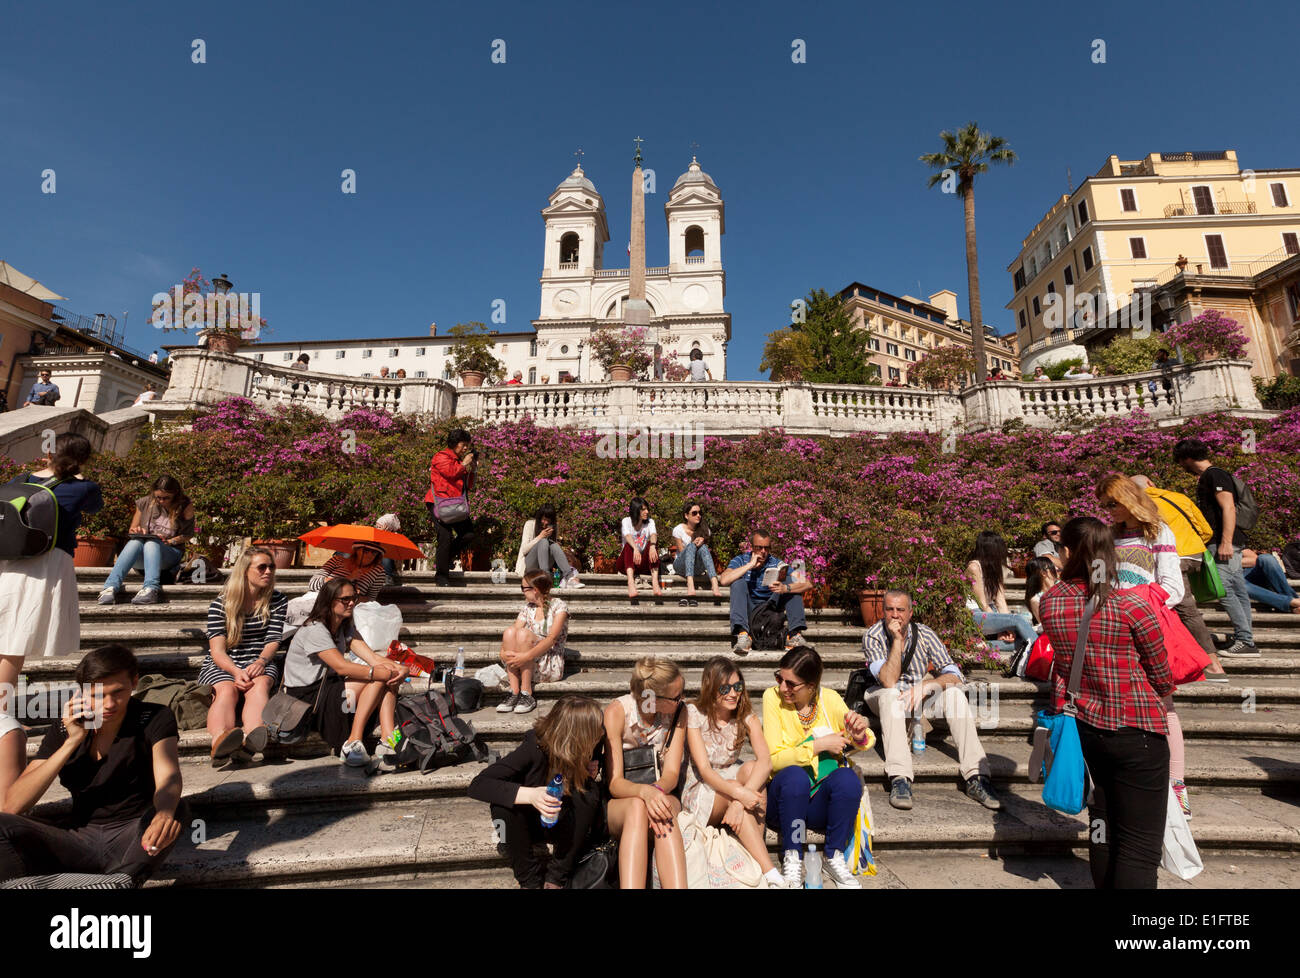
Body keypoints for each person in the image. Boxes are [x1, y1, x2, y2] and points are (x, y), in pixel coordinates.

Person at [1039, 517, 1174, 889]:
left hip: (1086, 731)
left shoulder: (1050, 603)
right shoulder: (1132, 605)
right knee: (1139, 845)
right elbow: (1163, 676)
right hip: (1138, 732)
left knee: (1101, 827)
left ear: (1066, 552)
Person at [0, 644, 184, 885]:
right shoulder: (65, 728)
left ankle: (122, 881)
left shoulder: (154, 717)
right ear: (83, 692)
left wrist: (165, 812)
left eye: (118, 692)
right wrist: (72, 741)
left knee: (176, 809)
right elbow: (13, 804)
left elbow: (168, 777)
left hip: (133, 833)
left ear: (134, 682)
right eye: (98, 695)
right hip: (79, 839)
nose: (109, 704)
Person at [1097, 474, 1210, 816]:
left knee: (1164, 705)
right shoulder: (1109, 536)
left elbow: (1173, 587)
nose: (1109, 510)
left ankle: (1177, 787)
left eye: (1112, 503)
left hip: (1148, 627)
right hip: (1112, 628)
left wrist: (1137, 601)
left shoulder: (1158, 532)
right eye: (1105, 505)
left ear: (1128, 498)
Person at [1, 434, 103, 801]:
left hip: (7, 563)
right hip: (45, 564)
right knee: (15, 643)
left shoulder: (17, 482)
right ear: (85, 459)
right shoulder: (85, 487)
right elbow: (94, 510)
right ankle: (0, 712)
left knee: (8, 638)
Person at [862, 591, 1001, 812]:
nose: (895, 615)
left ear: (910, 612)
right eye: (890, 609)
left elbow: (955, 674)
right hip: (883, 697)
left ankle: (976, 776)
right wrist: (897, 641)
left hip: (918, 696)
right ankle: (900, 778)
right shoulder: (874, 635)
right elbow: (888, 681)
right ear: (883, 611)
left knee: (954, 693)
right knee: (890, 695)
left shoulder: (925, 634)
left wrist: (926, 686)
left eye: (900, 610)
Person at [469, 695, 606, 889]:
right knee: (502, 808)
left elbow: (594, 761)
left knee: (589, 792)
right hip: (529, 824)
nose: (602, 732)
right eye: (597, 729)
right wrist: (531, 795)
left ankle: (556, 877)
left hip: (565, 823)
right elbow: (478, 784)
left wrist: (592, 766)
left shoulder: (595, 740)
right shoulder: (534, 748)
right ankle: (529, 881)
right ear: (579, 735)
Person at [764, 646, 871, 889]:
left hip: (817, 804)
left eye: (791, 684)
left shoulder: (829, 699)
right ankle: (792, 855)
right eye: (779, 678)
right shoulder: (772, 698)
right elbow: (773, 759)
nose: (783, 687)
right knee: (794, 776)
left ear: (811, 686)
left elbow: (866, 739)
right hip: (784, 803)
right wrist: (817, 745)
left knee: (847, 779)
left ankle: (832, 856)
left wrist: (859, 732)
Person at [282, 578, 409, 768]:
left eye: (354, 598)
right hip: (307, 697)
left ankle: (388, 738)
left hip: (330, 687)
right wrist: (383, 673)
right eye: (345, 599)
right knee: (379, 678)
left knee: (387, 673)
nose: (351, 603)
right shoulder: (314, 628)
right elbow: (342, 667)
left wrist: (400, 667)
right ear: (329, 601)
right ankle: (352, 742)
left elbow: (373, 658)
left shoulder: (344, 626)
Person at [683, 657, 784, 888]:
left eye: (738, 687)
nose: (733, 694)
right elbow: (706, 771)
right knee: (739, 787)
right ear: (710, 688)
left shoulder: (745, 714)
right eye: (725, 688)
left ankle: (755, 856)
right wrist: (739, 794)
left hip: (732, 780)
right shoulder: (694, 713)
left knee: (751, 769)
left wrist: (740, 801)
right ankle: (768, 871)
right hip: (703, 787)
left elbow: (766, 762)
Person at [602, 657, 689, 889]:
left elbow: (671, 773)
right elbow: (614, 783)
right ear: (652, 697)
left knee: (662, 809)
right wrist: (644, 794)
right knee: (637, 807)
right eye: (676, 696)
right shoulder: (617, 712)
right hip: (621, 802)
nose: (682, 699)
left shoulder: (679, 712)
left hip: (662, 791)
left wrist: (655, 792)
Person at [1129, 474, 1227, 678]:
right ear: (1150, 483)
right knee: (1180, 606)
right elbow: (1205, 530)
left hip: (1172, 557)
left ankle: (1212, 663)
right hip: (1194, 554)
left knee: (1185, 609)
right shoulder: (1178, 497)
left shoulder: (1139, 504)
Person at [198, 545, 288, 764]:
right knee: (226, 690)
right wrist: (235, 671)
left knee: (260, 686)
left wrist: (261, 661)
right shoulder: (221, 604)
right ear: (245, 570)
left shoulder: (277, 600)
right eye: (262, 567)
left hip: (260, 659)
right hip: (224, 662)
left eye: (271, 567)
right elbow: (217, 650)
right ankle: (220, 741)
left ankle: (254, 736)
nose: (268, 571)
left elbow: (273, 639)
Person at [1175, 438, 1256, 657]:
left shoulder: (1214, 475)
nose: (1181, 466)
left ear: (1188, 458)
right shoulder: (1212, 476)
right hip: (1226, 541)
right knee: (1237, 589)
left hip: (1224, 541)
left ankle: (1245, 640)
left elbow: (1228, 507)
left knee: (1225, 589)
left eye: (1181, 461)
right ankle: (1245, 637)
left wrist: (1225, 542)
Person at [96, 476, 195, 606]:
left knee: (152, 543)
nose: (161, 501)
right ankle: (110, 587)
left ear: (175, 495)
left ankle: (151, 588)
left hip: (169, 553)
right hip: (143, 555)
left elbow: (188, 535)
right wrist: (137, 530)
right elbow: (132, 530)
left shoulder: (185, 506)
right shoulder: (144, 503)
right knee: (134, 542)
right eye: (158, 497)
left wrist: (169, 541)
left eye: (166, 498)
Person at [720, 528, 811, 654]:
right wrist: (750, 565)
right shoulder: (741, 560)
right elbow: (724, 580)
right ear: (751, 547)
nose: (763, 551)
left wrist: (785, 588)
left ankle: (794, 635)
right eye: (759, 547)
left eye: (766, 548)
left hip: (771, 607)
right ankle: (742, 635)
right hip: (750, 608)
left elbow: (807, 583)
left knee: (791, 580)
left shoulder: (776, 563)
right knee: (738, 582)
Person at [497, 570, 570, 715]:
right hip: (524, 659)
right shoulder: (527, 608)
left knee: (523, 634)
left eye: (523, 588)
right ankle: (514, 691)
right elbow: (512, 634)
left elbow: (551, 639)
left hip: (548, 659)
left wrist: (526, 657)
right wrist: (503, 653)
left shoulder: (559, 606)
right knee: (510, 632)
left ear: (535, 590)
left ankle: (526, 693)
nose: (523, 592)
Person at [964, 530, 1038, 652]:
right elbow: (982, 603)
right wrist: (1005, 625)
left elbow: (1000, 601)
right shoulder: (974, 567)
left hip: (990, 612)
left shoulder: (994, 567)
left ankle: (982, 646)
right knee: (1018, 619)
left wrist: (1009, 627)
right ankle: (1043, 651)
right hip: (974, 614)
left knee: (1022, 640)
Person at [426, 428, 477, 587]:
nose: (465, 448)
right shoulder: (441, 456)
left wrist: (473, 469)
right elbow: (450, 473)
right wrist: (464, 464)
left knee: (468, 534)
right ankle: (441, 577)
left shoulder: (459, 462)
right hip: (439, 504)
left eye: (467, 445)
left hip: (456, 505)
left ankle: (445, 558)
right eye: (463, 445)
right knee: (445, 537)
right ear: (455, 443)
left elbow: (468, 486)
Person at [519, 502, 583, 588]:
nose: (545, 522)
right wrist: (540, 537)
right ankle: (545, 577)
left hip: (545, 563)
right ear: (539, 517)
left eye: (548, 520)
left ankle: (570, 577)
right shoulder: (529, 524)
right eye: (543, 519)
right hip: (530, 564)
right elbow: (524, 550)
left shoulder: (553, 528)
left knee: (554, 545)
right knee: (543, 541)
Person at [671, 501, 722, 602]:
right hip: (681, 566)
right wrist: (693, 544)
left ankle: (714, 582)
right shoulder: (678, 529)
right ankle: (690, 583)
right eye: (694, 513)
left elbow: (704, 555)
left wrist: (703, 541)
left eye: (699, 513)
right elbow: (682, 553)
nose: (698, 515)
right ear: (686, 515)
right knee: (691, 546)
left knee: (703, 547)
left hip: (697, 568)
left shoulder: (705, 530)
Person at [616, 497, 663, 599]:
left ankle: (655, 582)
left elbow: (654, 534)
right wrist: (636, 549)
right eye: (643, 509)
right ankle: (631, 582)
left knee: (653, 543)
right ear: (636, 510)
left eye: (647, 509)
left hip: (642, 563)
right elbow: (627, 536)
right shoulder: (626, 521)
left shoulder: (650, 522)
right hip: (626, 563)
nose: (647, 512)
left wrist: (652, 546)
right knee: (629, 545)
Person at [309, 542, 387, 601]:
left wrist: (354, 596)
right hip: (319, 601)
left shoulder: (378, 572)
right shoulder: (336, 560)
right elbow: (313, 584)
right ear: (357, 550)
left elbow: (371, 600)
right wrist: (348, 579)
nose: (370, 554)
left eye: (374, 552)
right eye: (366, 550)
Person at [1241, 548, 1300, 614]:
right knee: (1238, 584)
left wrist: (1232, 563)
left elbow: (1254, 559)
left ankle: (1294, 600)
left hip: (1248, 574)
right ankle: (1291, 603)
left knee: (1266, 558)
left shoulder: (1229, 544)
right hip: (1233, 581)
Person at [1023, 556, 1059, 627]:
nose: (1057, 568)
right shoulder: (1036, 600)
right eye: (1052, 566)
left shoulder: (1062, 587)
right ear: (1043, 573)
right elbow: (1045, 625)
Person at [375, 512, 405, 585]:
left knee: (385, 552)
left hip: (389, 565)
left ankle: (387, 577)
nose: (377, 529)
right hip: (375, 563)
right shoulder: (375, 535)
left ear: (388, 527)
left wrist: (385, 535)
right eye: (376, 527)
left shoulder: (395, 537)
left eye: (379, 527)